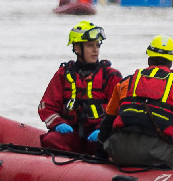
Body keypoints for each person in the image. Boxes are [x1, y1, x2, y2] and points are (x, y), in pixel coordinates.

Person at [102, 35, 173, 169]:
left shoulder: (125, 83)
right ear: (171, 62)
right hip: (157, 155)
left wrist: (101, 152)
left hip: (119, 151)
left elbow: (107, 121)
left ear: (149, 58)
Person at [38, 21, 120, 154]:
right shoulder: (63, 74)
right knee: (50, 140)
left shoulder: (110, 75)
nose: (95, 50)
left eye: (97, 45)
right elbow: (46, 106)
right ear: (77, 48)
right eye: (90, 46)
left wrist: (102, 129)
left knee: (110, 144)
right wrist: (58, 123)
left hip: (99, 134)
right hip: (72, 133)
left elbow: (119, 109)